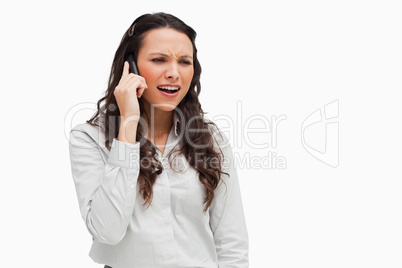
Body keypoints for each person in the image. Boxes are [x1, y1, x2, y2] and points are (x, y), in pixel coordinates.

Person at [68, 12, 249, 268]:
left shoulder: (211, 139)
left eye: (184, 62)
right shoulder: (88, 139)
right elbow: (107, 231)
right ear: (129, 67)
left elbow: (232, 243)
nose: (174, 73)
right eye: (159, 59)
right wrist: (128, 125)